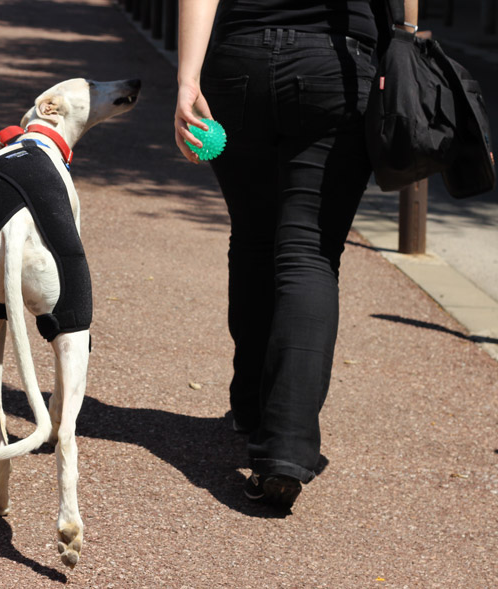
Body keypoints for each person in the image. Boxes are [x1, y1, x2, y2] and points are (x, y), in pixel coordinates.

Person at [174, 0, 417, 508]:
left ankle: (250, 406)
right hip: (339, 64)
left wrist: (187, 79)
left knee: (254, 239)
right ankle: (284, 448)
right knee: (309, 252)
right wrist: (408, 38)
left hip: (239, 61)